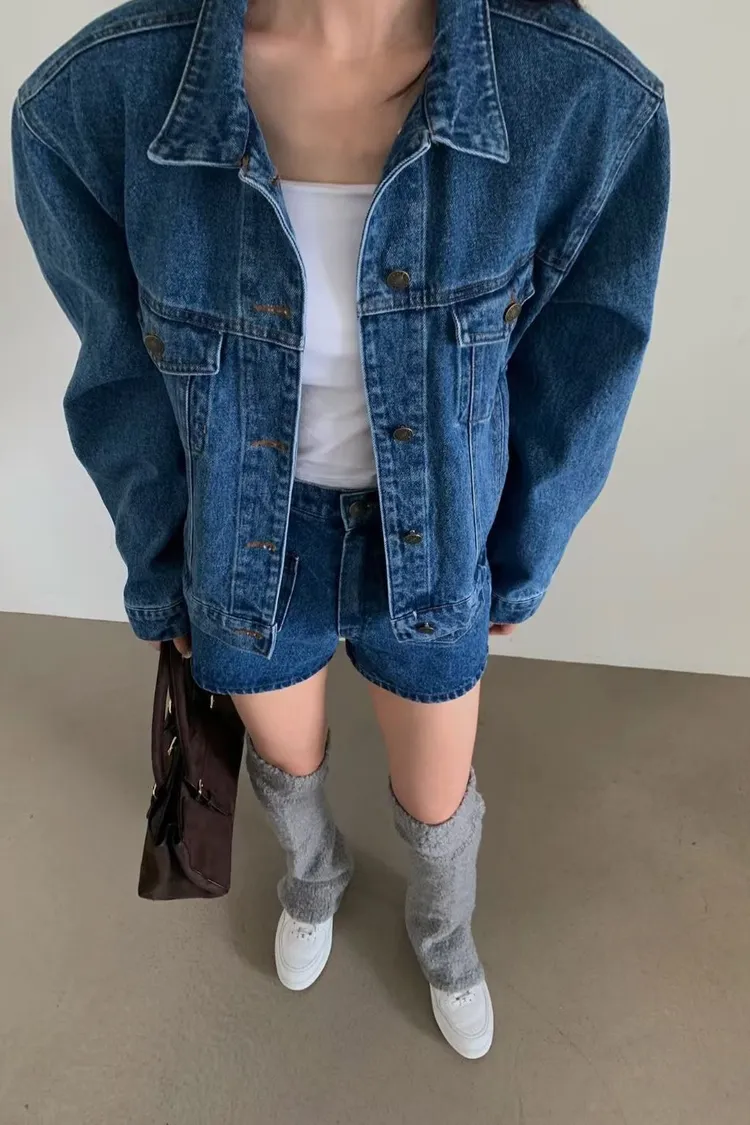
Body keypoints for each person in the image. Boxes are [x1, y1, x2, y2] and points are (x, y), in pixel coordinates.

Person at [12, 0, 669, 1059]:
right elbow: (120, 380)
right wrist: (161, 566)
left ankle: (443, 930)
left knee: (438, 795)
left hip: (436, 539)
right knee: (287, 764)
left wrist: (520, 557)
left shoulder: (578, 98)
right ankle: (314, 878)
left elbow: (581, 369)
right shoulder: (100, 99)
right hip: (246, 540)